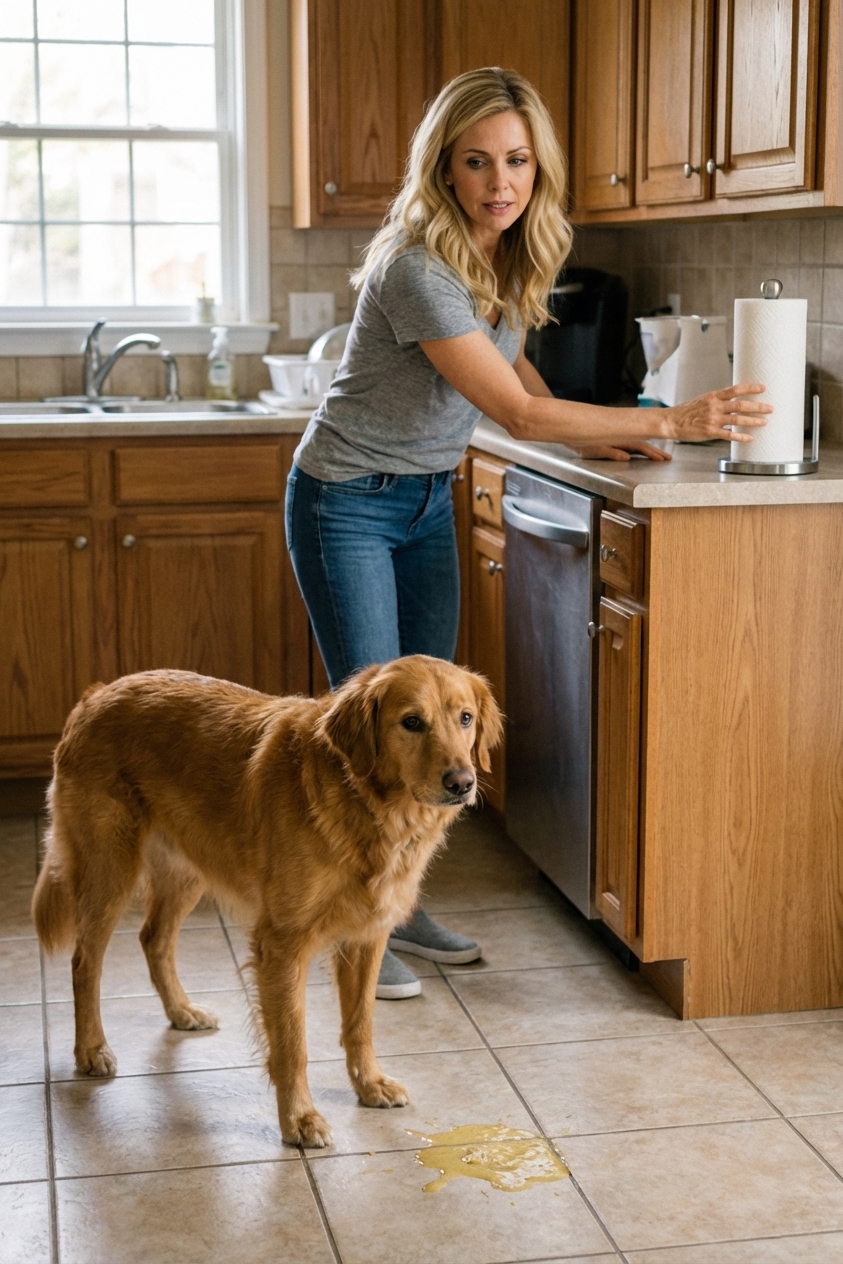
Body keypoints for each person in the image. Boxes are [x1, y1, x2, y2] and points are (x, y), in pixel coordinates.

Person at [285, 67, 769, 1000]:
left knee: (426, 735)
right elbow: (513, 412)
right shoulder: (417, 266)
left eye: (515, 161)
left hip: (426, 499)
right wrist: (671, 420)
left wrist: (623, 432)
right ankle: (355, 928)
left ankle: (396, 907)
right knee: (372, 731)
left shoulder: (499, 256)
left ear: (536, 167)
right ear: (445, 169)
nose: (499, 182)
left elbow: (523, 380)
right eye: (476, 162)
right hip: (346, 498)